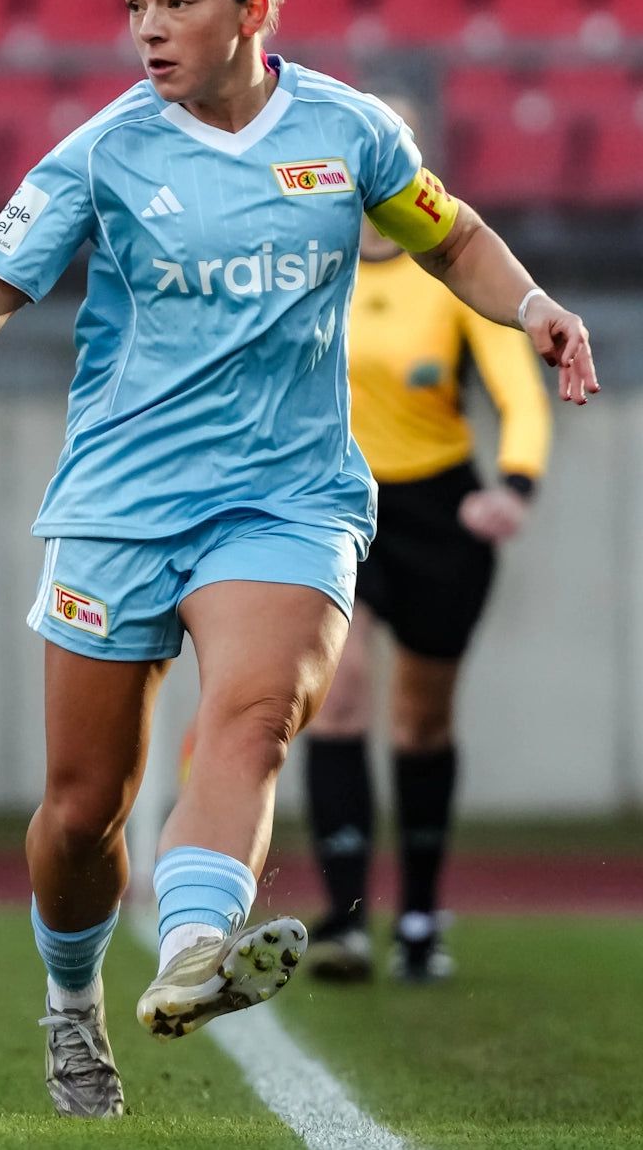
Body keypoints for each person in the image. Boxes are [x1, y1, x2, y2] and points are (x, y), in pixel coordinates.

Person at [0, 0, 598, 1119]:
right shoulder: (105, 150)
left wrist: (533, 306)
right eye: (134, 5)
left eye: (178, 0)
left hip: (287, 497)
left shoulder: (349, 134)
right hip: (121, 502)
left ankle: (190, 953)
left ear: (253, 10)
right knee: (81, 807)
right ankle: (72, 1006)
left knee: (258, 712)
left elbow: (453, 239)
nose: (150, 31)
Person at [303, 99, 553, 986]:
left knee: (421, 720)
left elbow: (518, 391)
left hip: (439, 512)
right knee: (338, 698)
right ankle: (345, 921)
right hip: (334, 504)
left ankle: (417, 912)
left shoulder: (454, 274)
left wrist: (513, 487)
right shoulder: (304, 264)